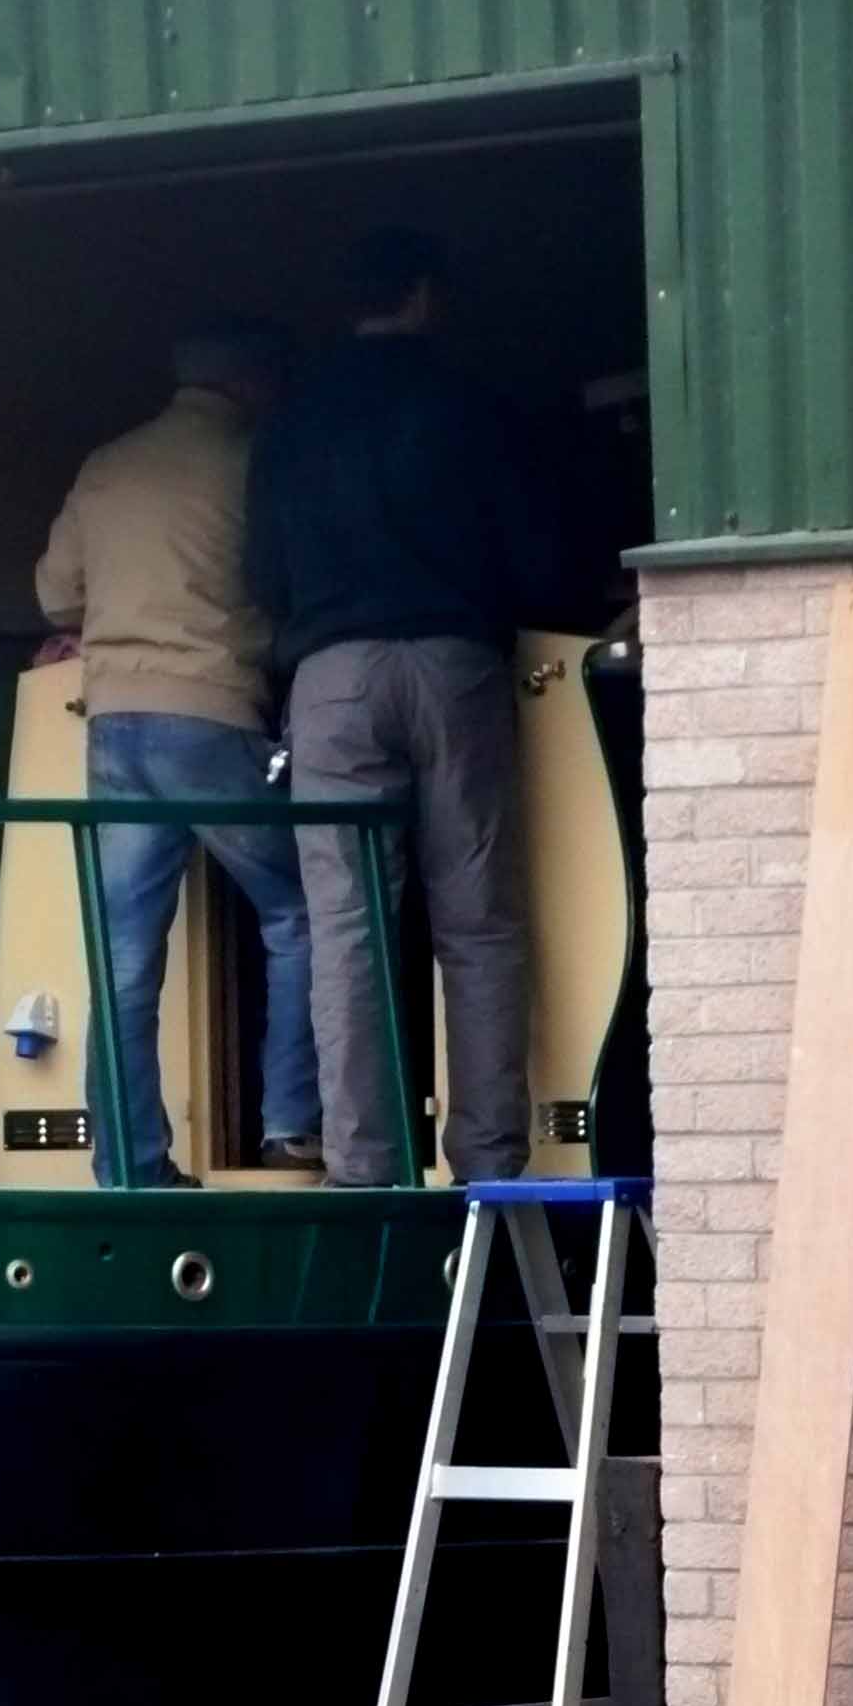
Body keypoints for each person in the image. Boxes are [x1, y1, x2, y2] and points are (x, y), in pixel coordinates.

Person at [246, 226, 562, 1186]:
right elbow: (534, 553)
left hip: (331, 679)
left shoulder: (292, 418)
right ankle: (489, 1168)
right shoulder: (473, 402)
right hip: (453, 666)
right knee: (478, 924)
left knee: (347, 929)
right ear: (426, 295)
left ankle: (363, 1169)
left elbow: (262, 572)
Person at [35, 316, 321, 1185]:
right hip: (212, 714)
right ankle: (290, 1126)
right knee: (302, 910)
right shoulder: (257, 463)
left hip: (115, 723)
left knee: (122, 955)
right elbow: (286, 588)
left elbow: (55, 595)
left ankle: (129, 1164)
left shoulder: (108, 464)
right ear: (249, 384)